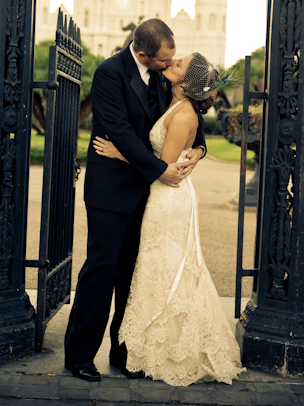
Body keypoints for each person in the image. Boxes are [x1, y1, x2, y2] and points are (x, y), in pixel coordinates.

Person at [64, 19, 206, 382]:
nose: (168, 65)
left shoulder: (164, 73)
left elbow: (190, 111)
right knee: (101, 271)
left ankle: (125, 353)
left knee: (134, 276)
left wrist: (200, 149)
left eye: (172, 60)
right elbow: (121, 133)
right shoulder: (109, 73)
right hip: (111, 192)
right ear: (143, 54)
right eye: (163, 61)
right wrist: (161, 169)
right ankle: (79, 356)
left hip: (148, 194)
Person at [94, 52, 244, 386]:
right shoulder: (173, 95)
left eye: (178, 63)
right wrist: (200, 149)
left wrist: (120, 153)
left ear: (188, 83)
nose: (171, 61)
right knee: (160, 269)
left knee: (163, 268)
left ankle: (167, 349)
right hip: (168, 195)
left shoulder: (182, 113)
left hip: (169, 196)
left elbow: (162, 169)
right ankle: (153, 346)